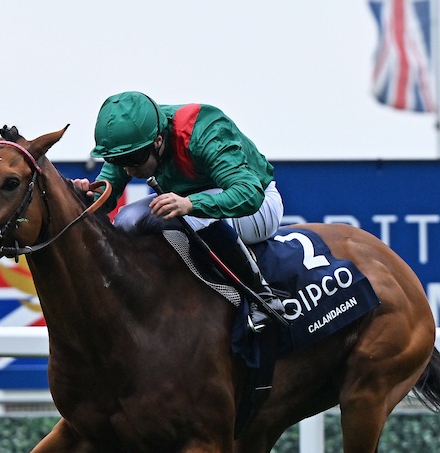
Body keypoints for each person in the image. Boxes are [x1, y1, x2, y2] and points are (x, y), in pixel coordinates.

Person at [72, 91, 286, 333]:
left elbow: (249, 194)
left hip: (259, 206)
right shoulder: (133, 140)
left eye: (134, 159)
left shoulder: (204, 131)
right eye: (119, 161)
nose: (129, 171)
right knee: (126, 219)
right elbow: (107, 196)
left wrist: (191, 204)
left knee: (184, 216)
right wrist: (84, 197)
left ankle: (263, 298)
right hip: (203, 204)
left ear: (158, 141)